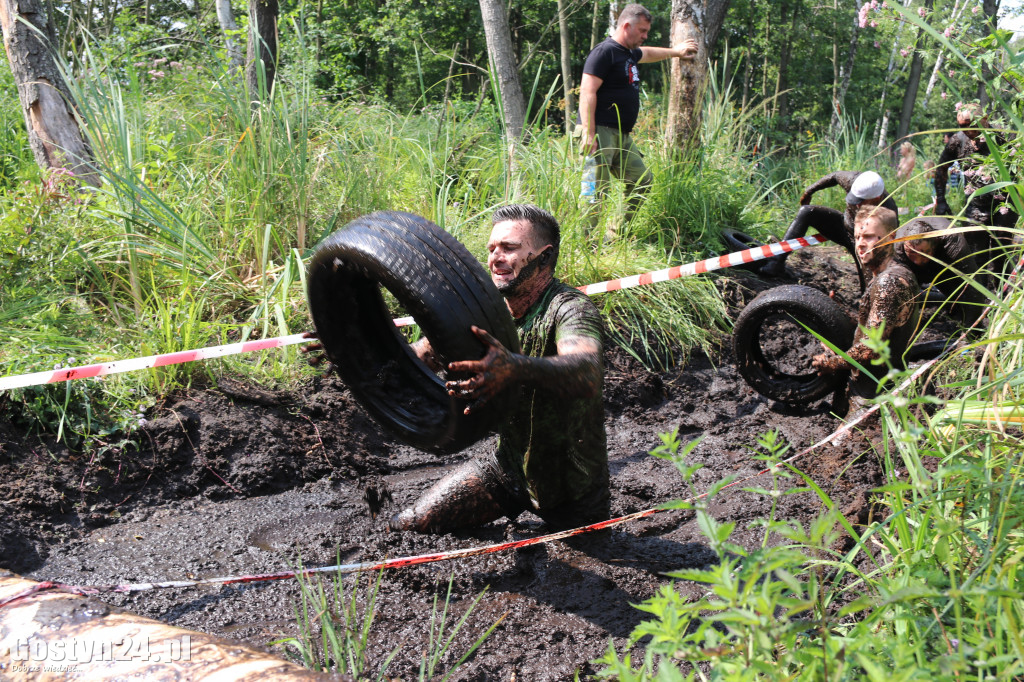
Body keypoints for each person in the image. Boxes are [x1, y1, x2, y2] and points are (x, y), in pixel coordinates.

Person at [389, 204, 610, 534]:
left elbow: (586, 370)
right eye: (492, 249)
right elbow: (415, 359)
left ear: (544, 257)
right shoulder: (478, 311)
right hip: (508, 470)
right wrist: (356, 347)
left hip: (572, 487)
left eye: (509, 248)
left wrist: (515, 367)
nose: (495, 258)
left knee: (578, 571)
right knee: (410, 524)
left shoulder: (570, 309)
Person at [576, 4, 698, 240]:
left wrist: (676, 51)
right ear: (626, 26)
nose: (645, 36)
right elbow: (587, 92)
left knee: (642, 180)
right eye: (642, 31)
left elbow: (649, 53)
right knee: (594, 192)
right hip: (599, 131)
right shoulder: (605, 52)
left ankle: (614, 236)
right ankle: (585, 244)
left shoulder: (629, 53)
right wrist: (589, 134)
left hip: (621, 135)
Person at [812, 206, 920, 413]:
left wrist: (831, 363)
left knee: (839, 445)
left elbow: (871, 347)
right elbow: (878, 325)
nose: (860, 244)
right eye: (857, 237)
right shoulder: (882, 274)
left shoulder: (889, 282)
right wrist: (838, 316)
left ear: (891, 237)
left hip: (875, 394)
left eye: (869, 237)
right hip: (866, 384)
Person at [760, 170, 899, 290]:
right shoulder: (852, 180)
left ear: (877, 198)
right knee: (807, 212)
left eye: (861, 202)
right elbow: (834, 176)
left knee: (870, 282)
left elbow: (889, 244)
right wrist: (809, 191)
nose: (856, 205)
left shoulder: (888, 211)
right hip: (843, 228)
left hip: (863, 243)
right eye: (854, 199)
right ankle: (776, 262)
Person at [933, 103, 1016, 268]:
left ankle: (1002, 291)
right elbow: (941, 169)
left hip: (1004, 204)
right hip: (975, 206)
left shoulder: (1002, 136)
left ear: (984, 119)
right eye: (962, 126)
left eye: (971, 124)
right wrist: (941, 200)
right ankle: (980, 292)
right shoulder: (958, 141)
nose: (966, 130)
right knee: (977, 258)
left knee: (1001, 256)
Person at [892, 216, 986, 326]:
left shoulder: (952, 241)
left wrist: (971, 330)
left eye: (924, 254)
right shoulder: (898, 249)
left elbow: (973, 287)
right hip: (913, 267)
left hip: (943, 261)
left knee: (957, 295)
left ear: (935, 242)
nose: (918, 261)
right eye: (912, 254)